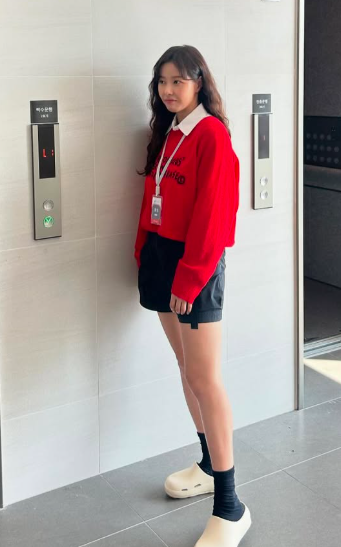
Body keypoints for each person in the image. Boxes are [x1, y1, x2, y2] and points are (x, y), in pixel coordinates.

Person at [134, 45, 251, 547]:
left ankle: (231, 505)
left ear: (199, 82)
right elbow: (156, 197)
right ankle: (207, 465)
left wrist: (188, 280)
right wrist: (143, 250)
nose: (168, 90)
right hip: (162, 260)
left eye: (177, 81)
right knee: (187, 370)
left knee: (206, 379)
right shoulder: (170, 131)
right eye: (162, 81)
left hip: (194, 267)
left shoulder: (212, 135)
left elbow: (214, 218)